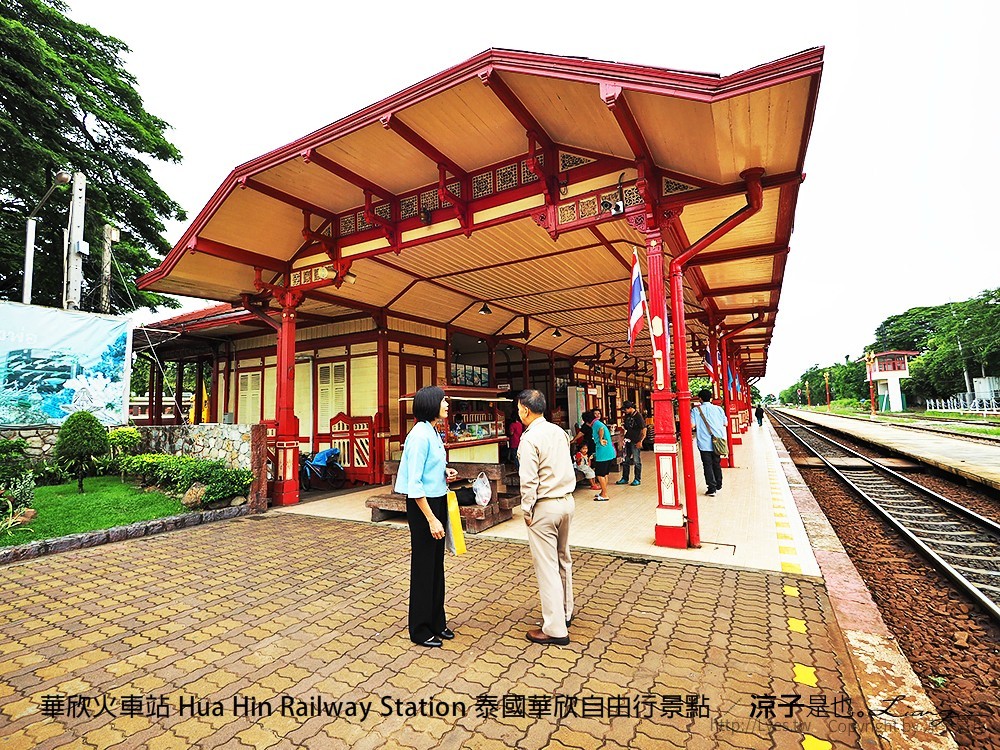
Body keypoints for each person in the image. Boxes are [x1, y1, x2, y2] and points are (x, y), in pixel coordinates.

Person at [394, 386, 459, 647]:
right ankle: (420, 629)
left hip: (438, 499)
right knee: (423, 567)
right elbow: (414, 483)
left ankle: (437, 621)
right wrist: (432, 519)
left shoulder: (432, 431)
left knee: (436, 566)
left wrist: (445, 471)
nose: (446, 404)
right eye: (443, 401)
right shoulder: (419, 435)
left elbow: (430, 468)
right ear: (431, 403)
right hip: (423, 508)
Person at [517, 389, 576, 646]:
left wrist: (526, 509)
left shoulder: (529, 439)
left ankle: (554, 628)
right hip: (567, 502)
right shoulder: (558, 432)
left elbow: (528, 480)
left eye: (519, 408)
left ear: (526, 410)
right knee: (564, 559)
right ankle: (565, 611)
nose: (518, 413)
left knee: (547, 566)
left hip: (544, 506)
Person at [691, 388, 727, 496]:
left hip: (704, 442)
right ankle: (718, 483)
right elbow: (726, 423)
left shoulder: (696, 410)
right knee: (716, 463)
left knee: (707, 465)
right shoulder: (719, 409)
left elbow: (691, 425)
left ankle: (712, 488)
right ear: (710, 398)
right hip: (718, 442)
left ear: (700, 399)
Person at [616, 401, 646, 486]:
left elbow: (644, 429)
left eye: (625, 409)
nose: (624, 411)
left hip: (636, 440)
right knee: (625, 459)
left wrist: (641, 441)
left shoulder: (638, 416)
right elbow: (625, 428)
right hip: (627, 439)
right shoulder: (627, 416)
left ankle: (637, 479)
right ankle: (625, 478)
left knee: (636, 460)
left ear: (630, 408)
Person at [587, 409, 615, 501]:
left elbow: (601, 429)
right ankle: (603, 492)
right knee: (605, 474)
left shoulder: (596, 424)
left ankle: (605, 494)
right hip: (609, 452)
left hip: (603, 453)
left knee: (599, 474)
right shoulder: (599, 423)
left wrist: (600, 439)